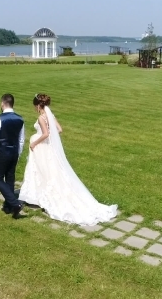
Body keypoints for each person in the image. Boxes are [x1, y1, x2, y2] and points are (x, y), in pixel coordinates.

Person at [18, 94, 118, 226]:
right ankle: (40, 196)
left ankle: (42, 197)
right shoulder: (51, 116)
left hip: (42, 148)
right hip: (49, 148)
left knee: (43, 171)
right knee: (52, 171)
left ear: (37, 106)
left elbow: (46, 133)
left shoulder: (41, 117)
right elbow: (59, 130)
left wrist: (34, 143)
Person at [0, 94, 25, 219]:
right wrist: (18, 154)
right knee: (10, 179)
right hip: (14, 152)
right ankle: (9, 206)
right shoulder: (20, 119)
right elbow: (21, 140)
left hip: (2, 152)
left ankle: (15, 203)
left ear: (2, 103)